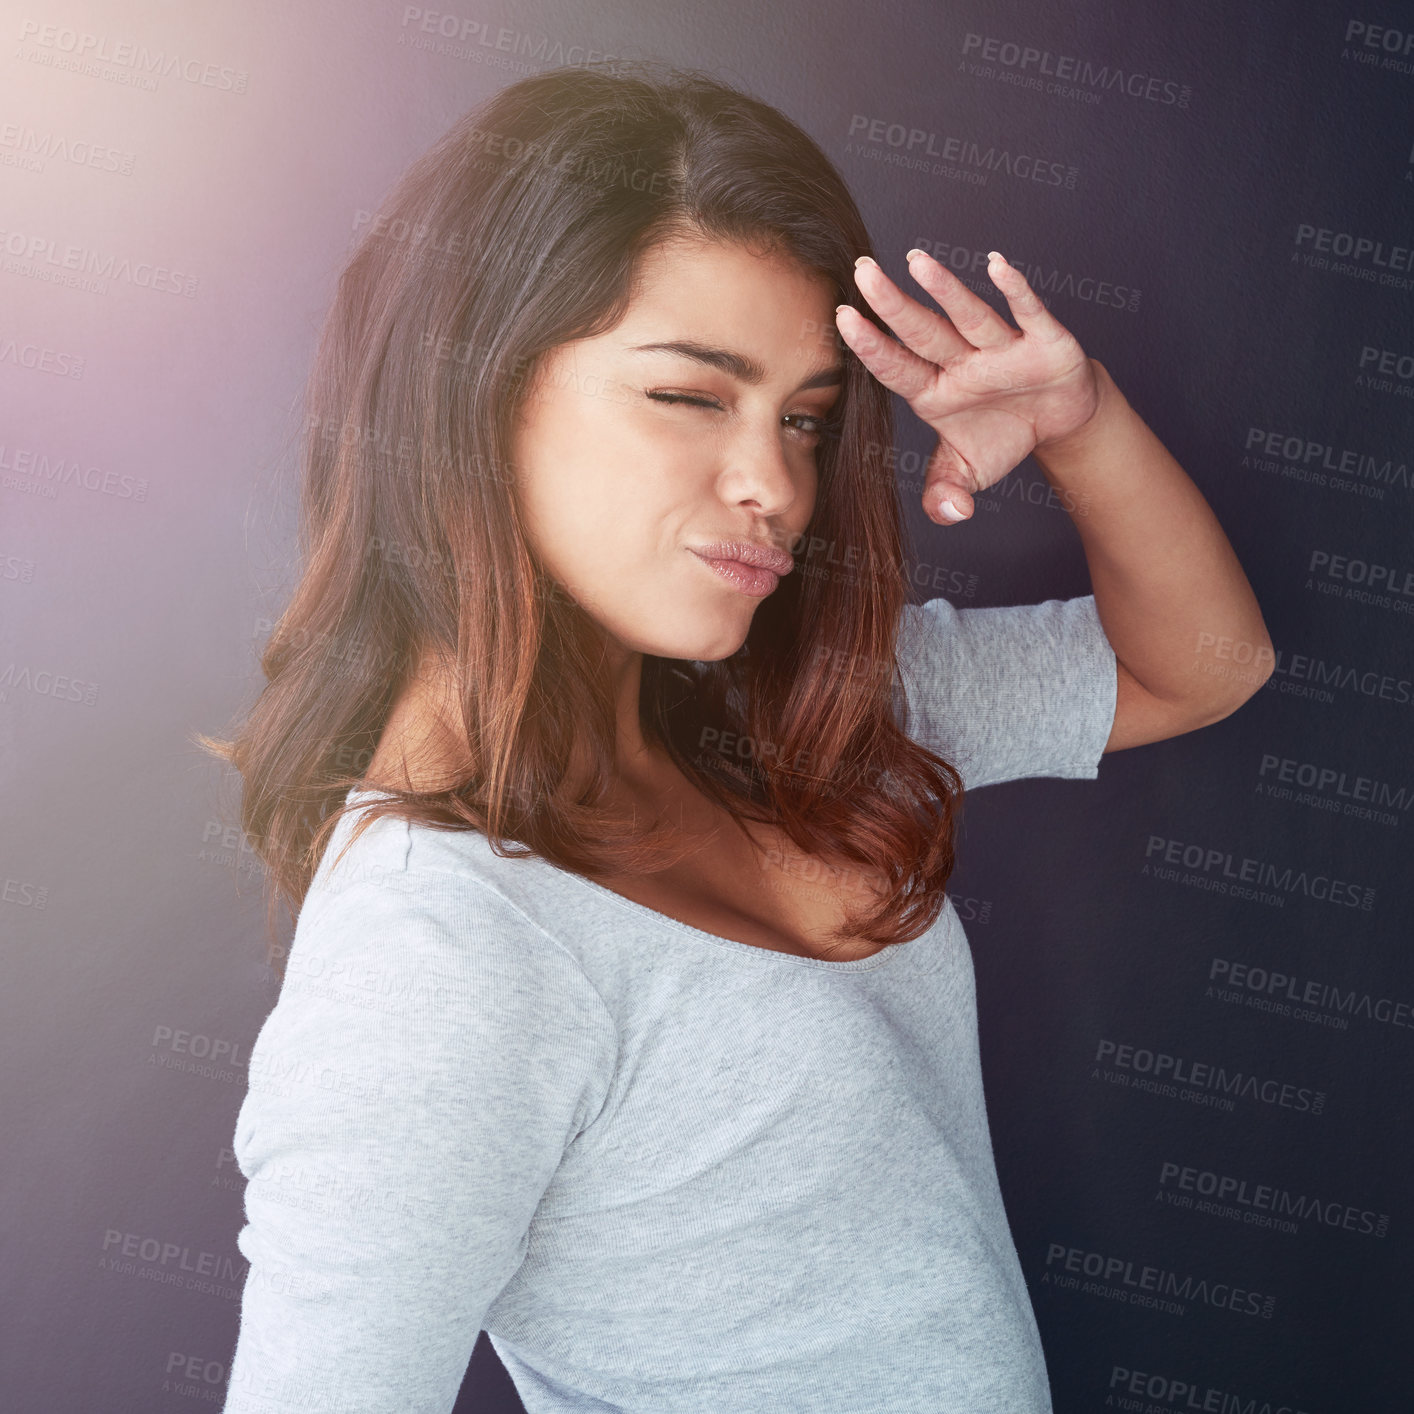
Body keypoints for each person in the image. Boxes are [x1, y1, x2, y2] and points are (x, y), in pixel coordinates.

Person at [204, 59, 1272, 1414]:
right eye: (689, 397)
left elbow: (1207, 667)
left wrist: (1079, 426)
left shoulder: (786, 716)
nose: (772, 482)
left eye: (807, 419)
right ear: (473, 391)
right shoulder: (435, 951)